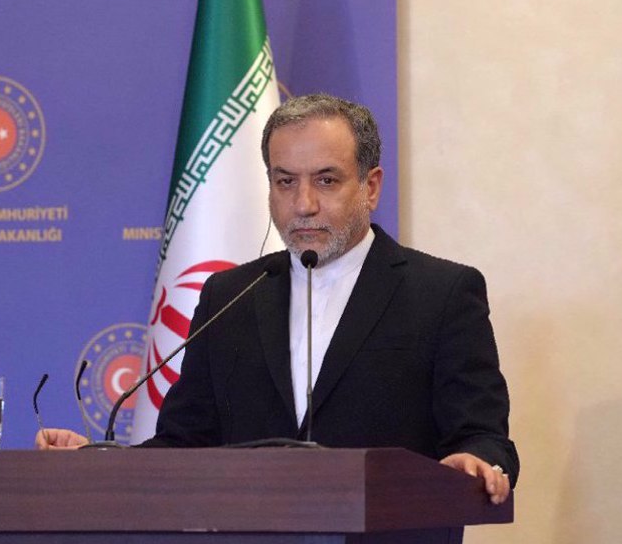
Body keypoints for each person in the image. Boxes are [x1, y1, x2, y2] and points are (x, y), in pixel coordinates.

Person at [37, 94, 519, 504]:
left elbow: (481, 436)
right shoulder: (230, 297)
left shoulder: (442, 293)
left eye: (326, 180)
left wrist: (479, 462)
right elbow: (185, 443)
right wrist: (94, 463)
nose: (303, 203)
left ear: (370, 187)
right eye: (285, 181)